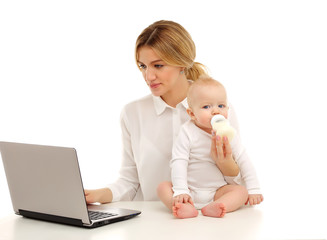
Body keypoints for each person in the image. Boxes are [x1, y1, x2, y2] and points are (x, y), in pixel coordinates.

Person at [84, 20, 243, 204]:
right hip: (153, 222)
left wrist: (225, 164)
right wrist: (96, 195)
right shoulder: (133, 113)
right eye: (143, 66)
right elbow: (130, 181)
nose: (148, 76)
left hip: (207, 219)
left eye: (158, 66)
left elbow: (239, 183)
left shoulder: (218, 110)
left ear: (182, 64)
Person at [157, 75, 263, 219]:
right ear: (192, 114)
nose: (216, 111)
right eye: (206, 106)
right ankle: (183, 206)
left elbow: (244, 159)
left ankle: (218, 205)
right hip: (189, 189)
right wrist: (181, 190)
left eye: (221, 106)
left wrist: (254, 188)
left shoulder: (228, 132)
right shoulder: (187, 132)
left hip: (217, 191)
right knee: (163, 187)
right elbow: (179, 161)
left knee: (241, 192)